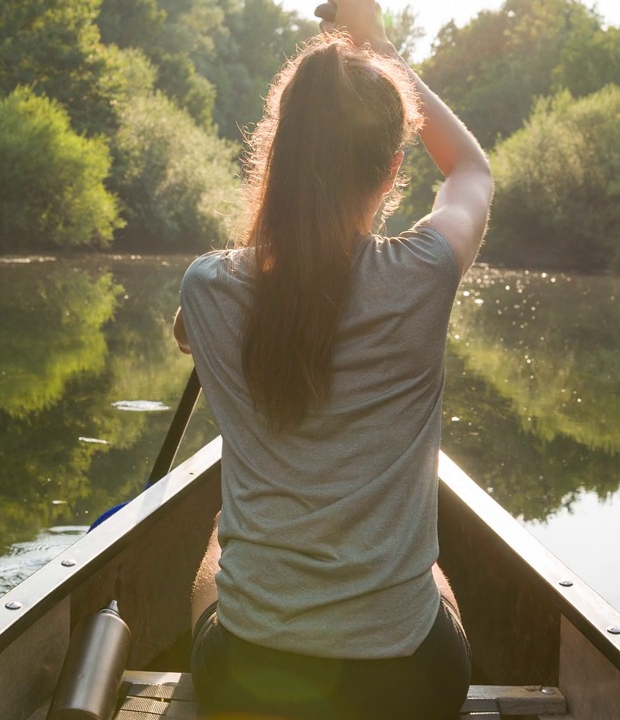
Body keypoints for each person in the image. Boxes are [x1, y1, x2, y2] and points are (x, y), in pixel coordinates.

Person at [173, 0, 493, 716]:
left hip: (249, 683)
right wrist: (377, 45)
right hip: (408, 684)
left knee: (217, 547)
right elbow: (471, 167)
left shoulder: (207, 289)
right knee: (433, 573)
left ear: (278, 153)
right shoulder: (425, 274)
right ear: (391, 169)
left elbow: (193, 325)